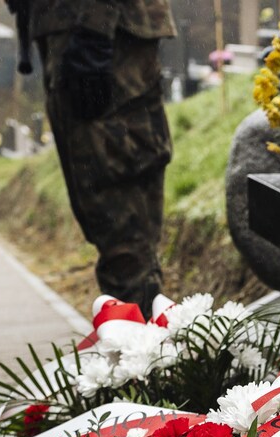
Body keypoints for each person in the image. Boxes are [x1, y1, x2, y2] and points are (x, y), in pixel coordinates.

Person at [16, 0, 176, 314]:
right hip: (78, 28)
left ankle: (139, 336)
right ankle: (136, 331)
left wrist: (95, 27)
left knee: (124, 231)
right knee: (113, 227)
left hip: (100, 29)